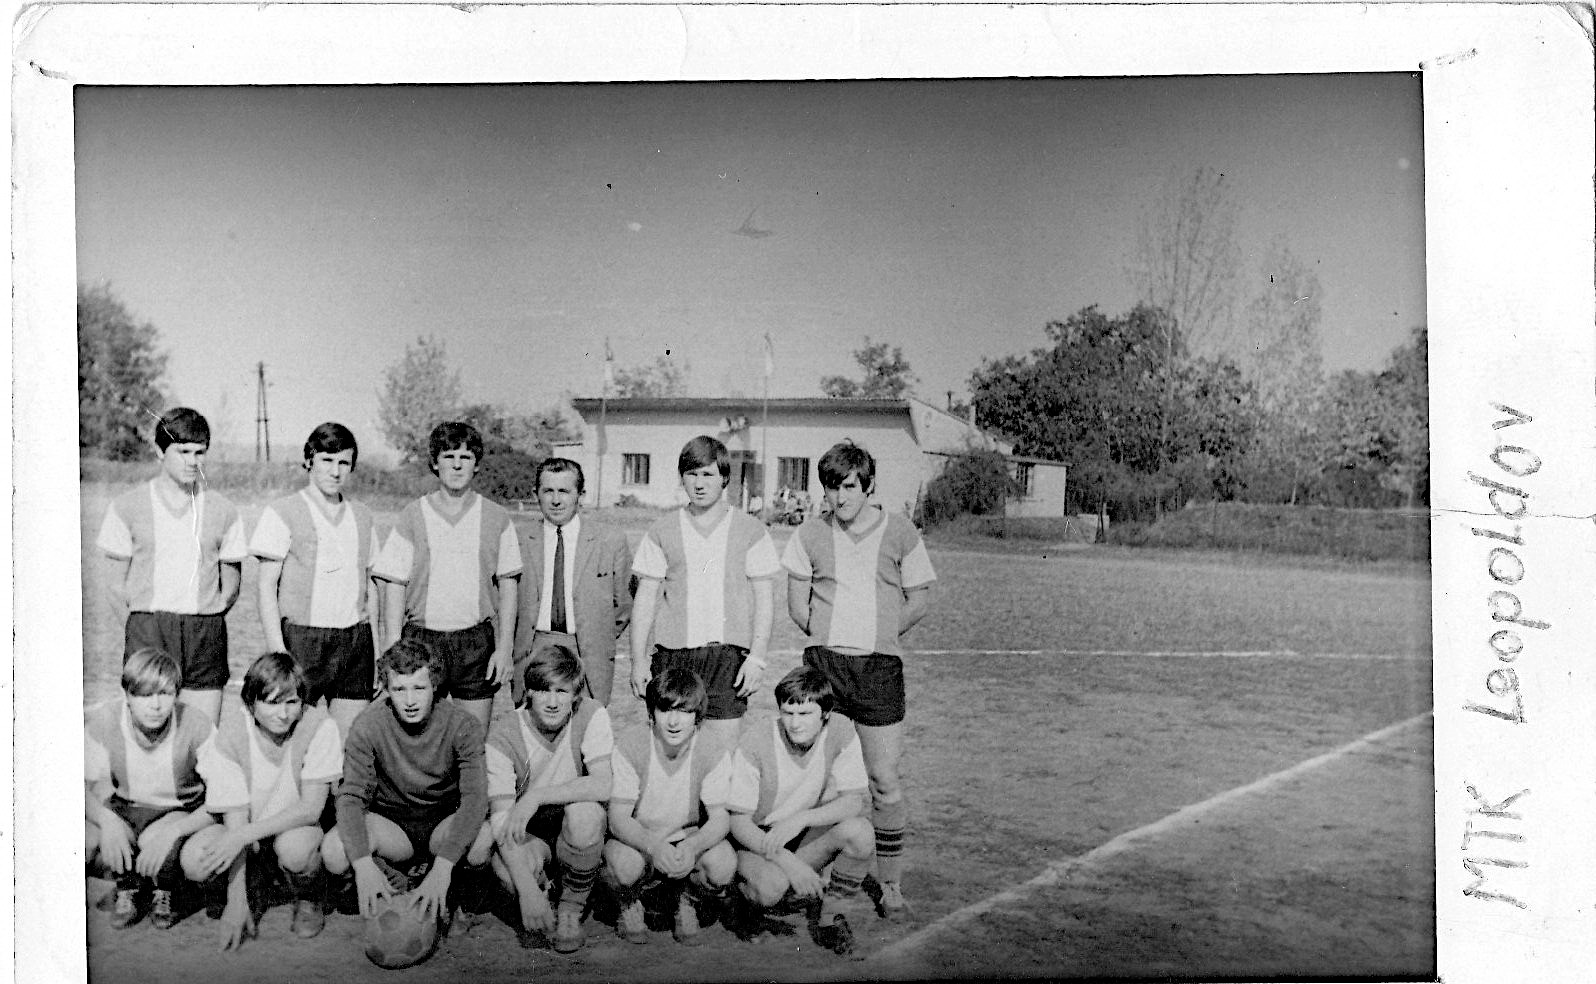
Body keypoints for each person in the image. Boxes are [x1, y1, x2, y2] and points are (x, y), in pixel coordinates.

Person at [782, 440, 935, 920]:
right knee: (816, 778)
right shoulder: (809, 533)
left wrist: (880, 635)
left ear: (868, 486)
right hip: (824, 667)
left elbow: (919, 599)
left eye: (849, 486)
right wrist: (828, 637)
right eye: (831, 487)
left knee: (883, 781)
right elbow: (797, 604)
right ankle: (809, 867)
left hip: (877, 670)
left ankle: (889, 883)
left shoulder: (901, 531)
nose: (839, 497)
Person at [322, 638, 491, 926]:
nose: (410, 701)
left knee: (481, 841)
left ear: (435, 685)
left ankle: (457, 895)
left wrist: (443, 867)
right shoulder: (368, 724)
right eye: (400, 689)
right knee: (334, 850)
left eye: (419, 688)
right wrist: (363, 864)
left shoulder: (462, 724)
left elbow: (475, 799)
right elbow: (350, 797)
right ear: (386, 689)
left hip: (441, 824)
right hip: (393, 827)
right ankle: (396, 884)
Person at [96, 407, 247, 724]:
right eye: (183, 452)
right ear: (160, 451)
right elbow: (114, 586)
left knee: (202, 733)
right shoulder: (127, 506)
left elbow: (231, 587)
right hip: (148, 629)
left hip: (204, 632)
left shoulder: (224, 510)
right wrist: (140, 627)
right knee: (147, 732)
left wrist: (206, 615)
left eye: (199, 452)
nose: (193, 461)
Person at [371, 421, 522, 734]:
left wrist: (504, 648)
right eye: (449, 456)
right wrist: (392, 646)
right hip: (422, 639)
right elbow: (395, 584)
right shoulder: (413, 515)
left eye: (465, 457)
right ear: (435, 463)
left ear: (476, 464)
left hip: (474, 641)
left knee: (472, 737)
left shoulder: (496, 517)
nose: (456, 465)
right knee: (420, 737)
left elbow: (509, 586)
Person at [630, 435, 780, 747]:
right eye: (692, 474)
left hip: (727, 659)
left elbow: (765, 600)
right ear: (682, 478)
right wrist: (638, 660)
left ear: (724, 478)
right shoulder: (661, 530)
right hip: (673, 657)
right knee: (671, 754)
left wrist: (757, 658)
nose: (699, 484)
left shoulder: (751, 530)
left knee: (722, 755)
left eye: (708, 474)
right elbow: (645, 600)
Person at [192, 652, 344, 948]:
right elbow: (235, 818)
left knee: (296, 851)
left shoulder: (318, 725)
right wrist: (236, 900)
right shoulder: (233, 733)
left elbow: (310, 809)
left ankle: (309, 895)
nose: (283, 714)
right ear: (251, 703)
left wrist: (242, 836)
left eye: (292, 702)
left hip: (294, 828)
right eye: (272, 703)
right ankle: (253, 883)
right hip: (251, 829)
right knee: (197, 860)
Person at [726, 667, 874, 956]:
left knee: (860, 832)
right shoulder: (757, 741)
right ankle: (740, 904)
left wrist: (803, 818)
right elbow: (738, 823)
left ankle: (831, 918)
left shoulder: (841, 729)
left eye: (805, 714)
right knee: (771, 888)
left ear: (826, 713)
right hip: (756, 838)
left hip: (799, 830)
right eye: (788, 713)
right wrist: (789, 863)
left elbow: (854, 801)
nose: (794, 724)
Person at [250, 422, 382, 739]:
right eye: (327, 460)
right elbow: (266, 587)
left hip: (354, 641)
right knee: (292, 738)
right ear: (309, 460)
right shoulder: (283, 511)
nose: (335, 471)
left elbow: (371, 587)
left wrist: (376, 649)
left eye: (343, 463)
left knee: (350, 741)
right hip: (301, 640)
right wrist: (277, 650)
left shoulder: (363, 516)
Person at [484, 644, 612, 954]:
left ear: (576, 694)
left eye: (562, 691)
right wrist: (527, 890)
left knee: (586, 814)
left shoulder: (592, 713)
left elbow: (604, 784)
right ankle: (541, 897)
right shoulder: (503, 734)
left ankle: (571, 906)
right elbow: (501, 819)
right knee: (508, 871)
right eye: (543, 690)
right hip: (532, 836)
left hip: (572, 829)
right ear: (528, 691)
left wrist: (537, 797)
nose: (553, 703)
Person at [85, 647, 218, 931]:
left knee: (167, 849)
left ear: (176, 694)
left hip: (177, 810)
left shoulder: (196, 723)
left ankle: (168, 888)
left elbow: (225, 797)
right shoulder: (107, 719)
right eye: (145, 695)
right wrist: (106, 820)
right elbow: (73, 787)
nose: (156, 705)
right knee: (83, 841)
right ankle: (130, 884)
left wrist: (175, 831)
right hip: (126, 808)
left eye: (165, 694)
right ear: (127, 695)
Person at [603, 667, 737, 947]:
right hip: (640, 839)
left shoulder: (712, 748)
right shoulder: (632, 743)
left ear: (697, 716)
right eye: (665, 710)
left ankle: (686, 900)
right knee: (624, 866)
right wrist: (653, 846)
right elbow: (618, 818)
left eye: (684, 711)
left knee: (722, 865)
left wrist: (692, 846)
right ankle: (630, 901)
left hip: (685, 838)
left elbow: (720, 819)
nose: (674, 722)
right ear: (652, 713)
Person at [511, 457, 633, 708]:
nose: (556, 500)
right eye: (548, 491)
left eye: (564, 491)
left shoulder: (610, 540)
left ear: (581, 495)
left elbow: (623, 605)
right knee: (536, 724)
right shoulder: (517, 539)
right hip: (535, 648)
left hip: (586, 650)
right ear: (535, 494)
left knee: (586, 725)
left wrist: (595, 635)